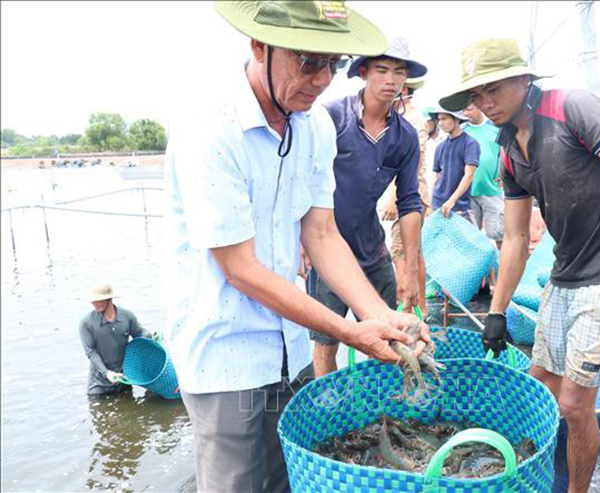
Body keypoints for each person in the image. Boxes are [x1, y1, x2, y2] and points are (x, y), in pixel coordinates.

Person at [162, 3, 428, 492]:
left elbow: (321, 233)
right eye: (307, 61)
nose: (322, 78)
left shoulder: (315, 127)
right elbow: (240, 269)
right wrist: (350, 334)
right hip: (227, 354)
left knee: (290, 478)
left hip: (289, 345)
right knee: (237, 482)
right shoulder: (211, 126)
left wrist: (379, 314)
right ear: (259, 46)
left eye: (332, 63)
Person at [440, 38, 600, 493]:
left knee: (574, 402)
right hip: (564, 278)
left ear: (524, 78)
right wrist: (497, 310)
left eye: (494, 88)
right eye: (476, 95)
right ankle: (547, 477)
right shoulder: (508, 150)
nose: (485, 103)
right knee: (540, 386)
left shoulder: (572, 108)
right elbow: (512, 238)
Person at [309, 36, 427, 377]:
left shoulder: (404, 136)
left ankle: (385, 409)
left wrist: (409, 269)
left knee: (389, 337)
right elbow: (300, 184)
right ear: (364, 71)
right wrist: (302, 244)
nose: (391, 80)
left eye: (399, 72)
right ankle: (327, 409)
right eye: (382, 70)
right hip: (326, 249)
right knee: (325, 342)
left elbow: (408, 201)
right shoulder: (330, 119)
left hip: (373, 251)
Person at [382, 76, 431, 319]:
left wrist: (394, 197)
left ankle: (410, 308)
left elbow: (415, 163)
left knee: (403, 250)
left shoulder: (414, 119)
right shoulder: (392, 118)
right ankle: (416, 307)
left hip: (410, 194)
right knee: (412, 250)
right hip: (398, 193)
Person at [79, 284, 152, 398]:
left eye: (98, 300)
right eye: (93, 300)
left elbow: (139, 333)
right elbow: (91, 352)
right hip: (99, 385)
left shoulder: (127, 316)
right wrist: (106, 373)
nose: (94, 303)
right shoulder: (86, 323)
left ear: (109, 299)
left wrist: (148, 336)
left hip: (124, 380)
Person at [462, 102, 503, 293]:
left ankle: (503, 281)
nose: (465, 113)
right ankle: (480, 284)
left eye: (469, 108)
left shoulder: (494, 129)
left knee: (499, 235)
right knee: (472, 239)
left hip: (491, 190)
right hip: (468, 193)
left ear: (478, 108)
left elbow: (505, 152)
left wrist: (503, 173)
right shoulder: (462, 131)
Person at [430, 108, 480, 223]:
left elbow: (469, 175)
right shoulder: (440, 146)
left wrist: (452, 200)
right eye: (438, 120)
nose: (440, 123)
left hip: (460, 207)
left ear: (457, 119)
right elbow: (437, 176)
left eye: (444, 118)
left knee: (470, 240)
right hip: (438, 205)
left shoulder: (470, 143)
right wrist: (431, 203)